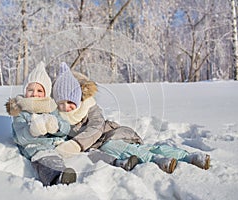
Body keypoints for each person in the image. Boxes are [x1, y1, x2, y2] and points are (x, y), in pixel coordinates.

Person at [52, 62, 211, 174]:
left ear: (79, 97)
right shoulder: (59, 118)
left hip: (113, 134)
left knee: (112, 147)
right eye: (61, 103)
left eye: (70, 102)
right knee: (145, 148)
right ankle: (188, 157)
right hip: (105, 144)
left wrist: (76, 144)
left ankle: (158, 159)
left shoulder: (91, 108)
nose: (66, 107)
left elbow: (96, 127)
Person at [5, 61, 76, 186]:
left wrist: (57, 126)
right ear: (25, 90)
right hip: (35, 147)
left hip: (56, 144)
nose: (35, 94)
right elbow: (20, 136)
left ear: (46, 92)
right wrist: (32, 130)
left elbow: (66, 128)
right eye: (30, 90)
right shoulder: (20, 110)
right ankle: (56, 178)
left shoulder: (51, 107)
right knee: (46, 160)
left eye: (39, 90)